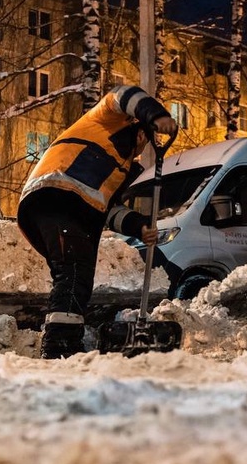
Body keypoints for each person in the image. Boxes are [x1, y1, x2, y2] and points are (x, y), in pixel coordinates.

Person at [17, 85, 178, 359]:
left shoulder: (123, 168)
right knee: (73, 269)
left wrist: (139, 226)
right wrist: (157, 114)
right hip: (55, 194)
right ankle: (58, 347)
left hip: (78, 212)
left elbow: (110, 211)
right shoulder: (106, 119)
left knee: (78, 277)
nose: (141, 149)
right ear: (141, 130)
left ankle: (67, 341)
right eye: (144, 140)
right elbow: (124, 94)